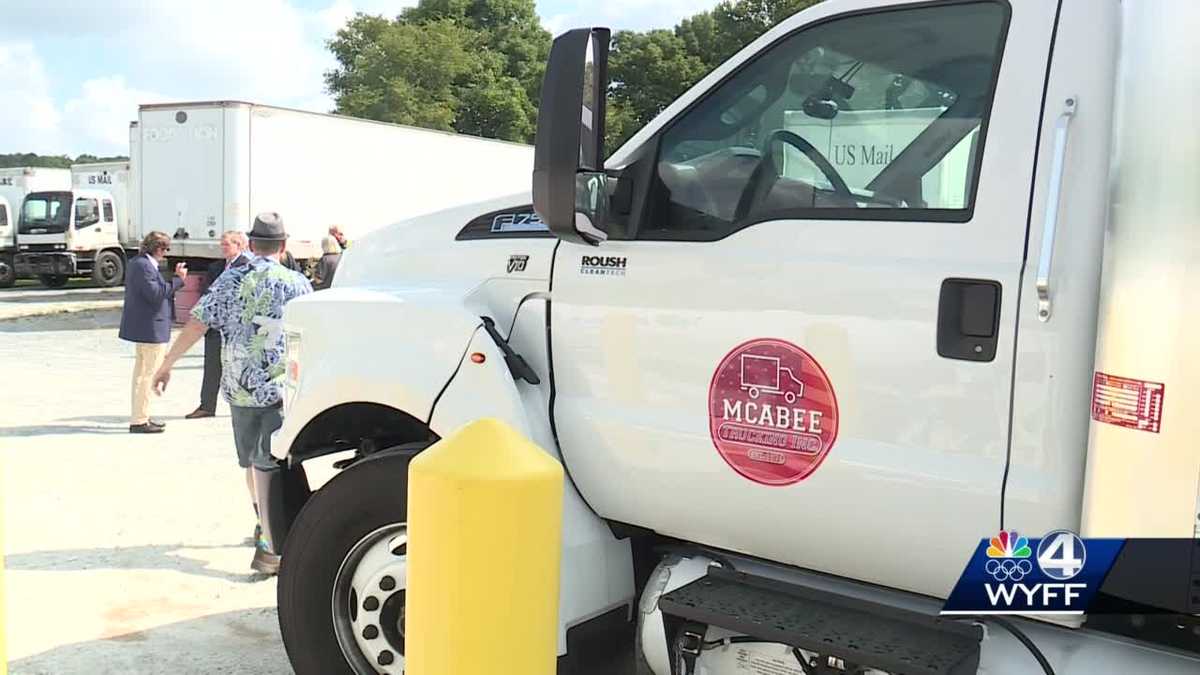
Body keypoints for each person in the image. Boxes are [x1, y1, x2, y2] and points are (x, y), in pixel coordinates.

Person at [152, 213, 312, 573]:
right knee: (271, 463)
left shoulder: (230, 279)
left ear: (251, 245)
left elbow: (198, 322)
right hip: (278, 387)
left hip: (238, 388)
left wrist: (167, 363)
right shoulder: (296, 283)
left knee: (252, 463)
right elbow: (314, 333)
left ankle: (263, 522)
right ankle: (270, 544)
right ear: (283, 246)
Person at [119, 231, 187, 434]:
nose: (165, 254)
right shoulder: (143, 266)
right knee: (148, 375)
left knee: (142, 374)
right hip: (150, 328)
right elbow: (156, 294)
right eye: (165, 249)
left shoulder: (139, 263)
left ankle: (141, 415)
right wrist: (177, 280)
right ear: (158, 248)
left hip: (146, 327)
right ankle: (139, 420)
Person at [186, 231, 250, 419]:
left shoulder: (248, 266)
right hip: (215, 326)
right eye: (221, 244)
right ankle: (207, 405)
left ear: (239, 245)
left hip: (237, 327)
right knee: (212, 365)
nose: (222, 248)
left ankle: (244, 405)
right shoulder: (215, 268)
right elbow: (206, 291)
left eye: (226, 244)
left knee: (240, 366)